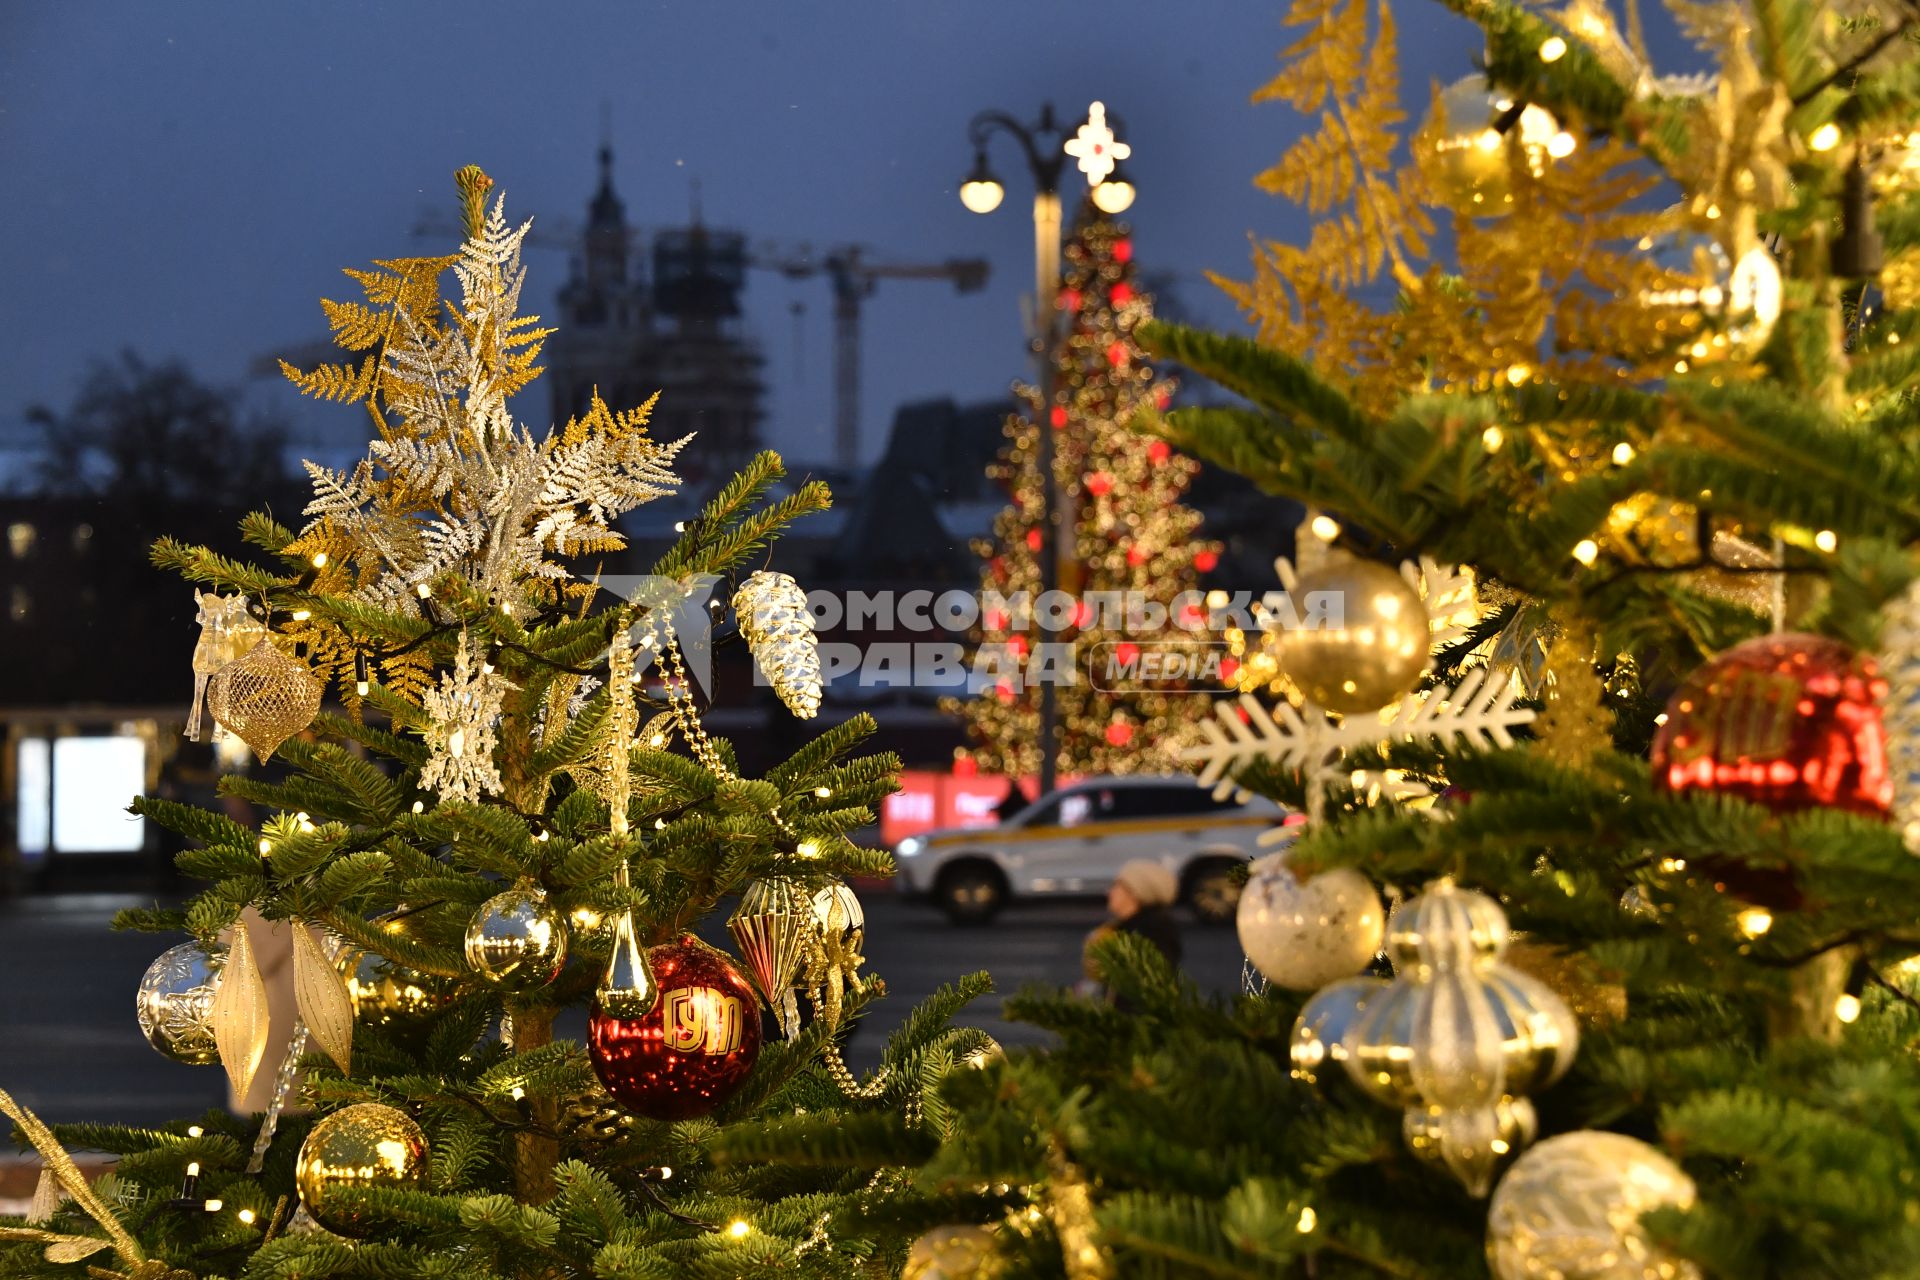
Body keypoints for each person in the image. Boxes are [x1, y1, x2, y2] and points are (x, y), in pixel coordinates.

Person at [1080, 860, 1183, 1003]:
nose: (1109, 892)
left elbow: (1149, 985)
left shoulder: (1155, 930)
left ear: (1135, 892)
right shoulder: (1120, 928)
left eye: (1117, 885)